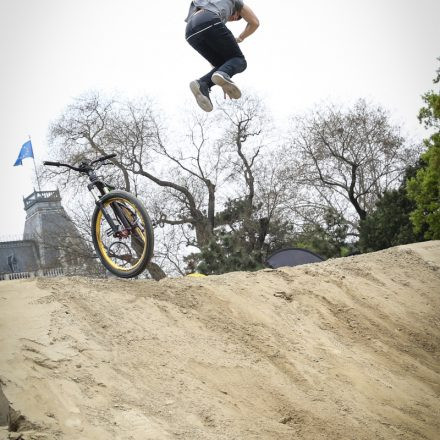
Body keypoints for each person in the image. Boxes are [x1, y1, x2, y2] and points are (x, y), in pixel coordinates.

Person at [185, 0, 259, 112]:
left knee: (222, 64)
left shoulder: (205, 3)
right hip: (208, 19)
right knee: (239, 60)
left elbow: (220, 65)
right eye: (237, 15)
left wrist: (223, 81)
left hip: (190, 32)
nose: (235, 18)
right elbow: (255, 22)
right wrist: (240, 37)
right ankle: (221, 75)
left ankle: (202, 84)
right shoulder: (234, 2)